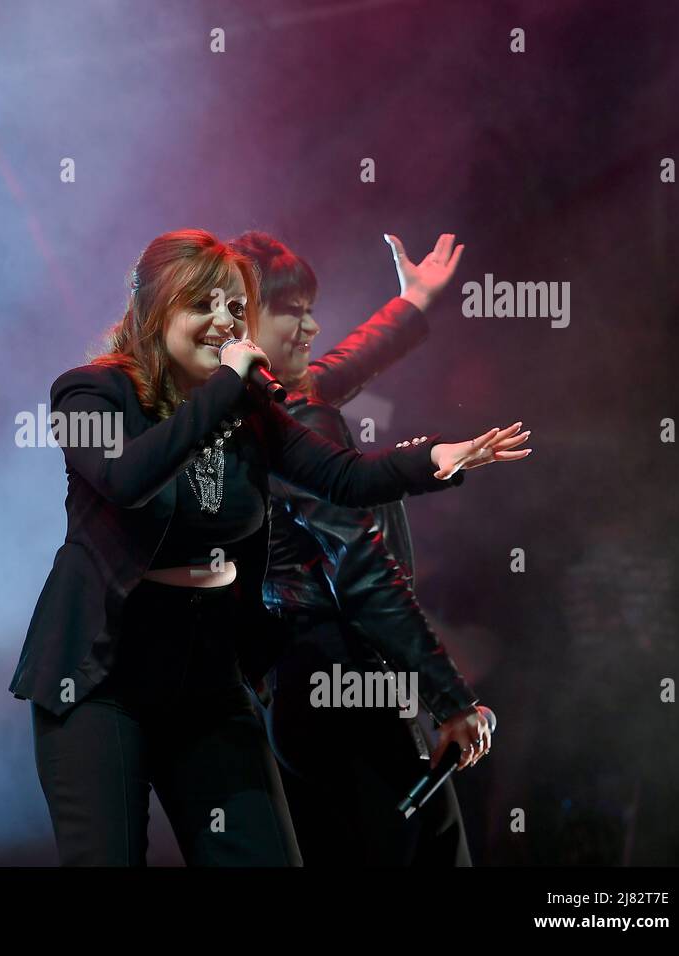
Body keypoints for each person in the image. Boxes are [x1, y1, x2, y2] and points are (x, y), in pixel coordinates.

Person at [9, 228, 530, 866]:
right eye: (204, 304)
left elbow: (344, 475)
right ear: (155, 309)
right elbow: (128, 479)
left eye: (235, 308)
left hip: (207, 678)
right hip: (99, 676)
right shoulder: (90, 393)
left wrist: (438, 458)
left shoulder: (252, 408)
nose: (225, 321)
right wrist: (230, 388)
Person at [232, 229, 494, 865]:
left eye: (311, 308)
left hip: (300, 688)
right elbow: (363, 572)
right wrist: (451, 701)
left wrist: (411, 304)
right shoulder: (295, 420)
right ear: (242, 319)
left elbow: (342, 365)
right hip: (345, 680)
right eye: (291, 311)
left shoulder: (246, 406)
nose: (313, 326)